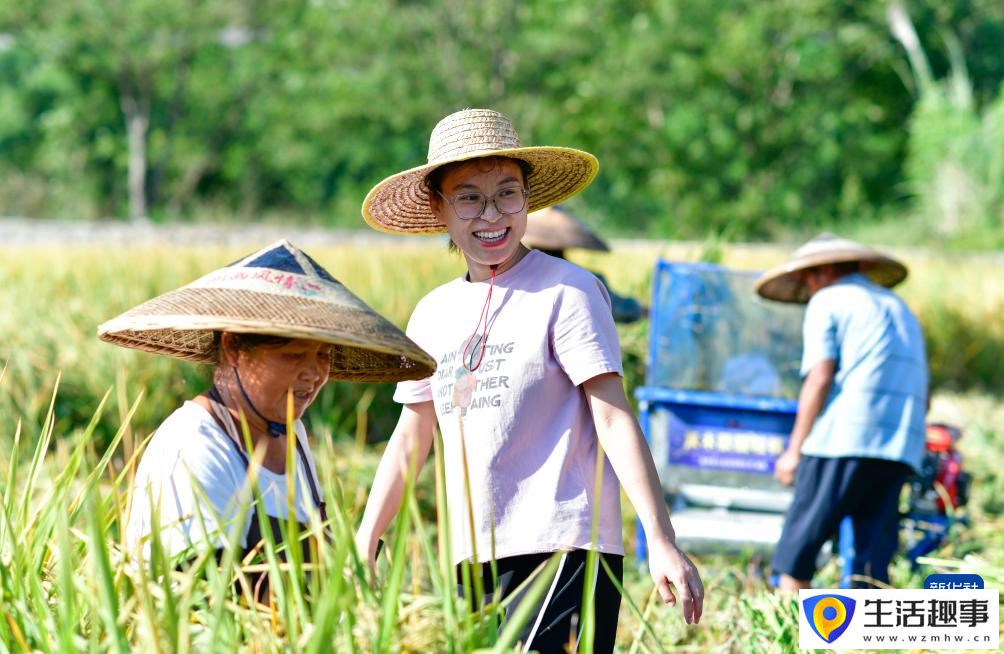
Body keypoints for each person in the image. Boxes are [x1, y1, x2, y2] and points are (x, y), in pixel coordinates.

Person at [356, 108, 703, 653]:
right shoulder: (432, 313)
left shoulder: (568, 290)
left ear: (527, 199)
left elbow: (612, 419)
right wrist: (367, 536)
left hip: (566, 547)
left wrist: (660, 540)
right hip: (470, 555)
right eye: (468, 197)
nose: (491, 213)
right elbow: (411, 435)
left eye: (507, 193)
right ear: (437, 208)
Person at [98, 239, 435, 602]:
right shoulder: (194, 446)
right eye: (293, 355)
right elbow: (202, 601)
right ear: (232, 347)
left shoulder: (293, 437)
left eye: (323, 355)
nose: (313, 374)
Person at [755, 233, 928, 590]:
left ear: (823, 271)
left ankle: (789, 635)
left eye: (808, 277)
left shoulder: (828, 300)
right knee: (871, 559)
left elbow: (819, 377)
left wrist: (794, 450)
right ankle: (867, 642)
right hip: (900, 443)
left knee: (798, 549)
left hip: (845, 437)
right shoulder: (899, 306)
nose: (807, 285)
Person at [522, 205, 645, 323]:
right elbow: (619, 309)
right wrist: (643, 310)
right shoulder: (584, 280)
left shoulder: (518, 279)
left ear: (533, 245)